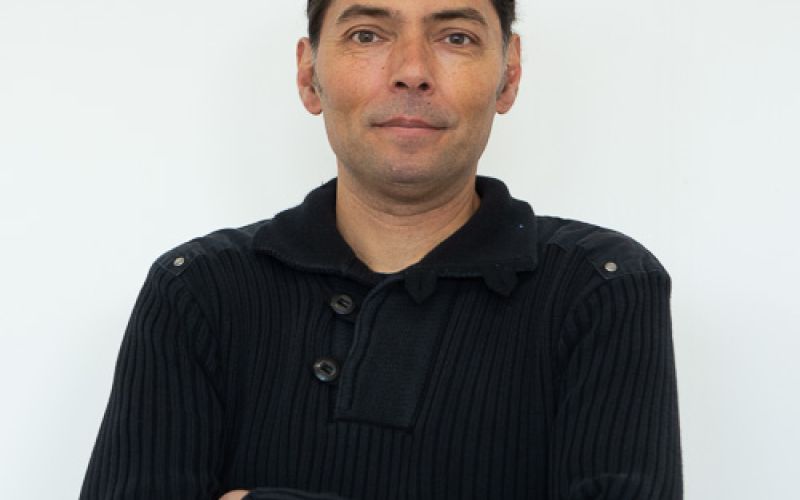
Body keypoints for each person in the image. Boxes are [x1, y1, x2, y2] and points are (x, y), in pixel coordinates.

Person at [80, 0, 683, 498]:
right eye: (367, 34)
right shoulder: (197, 290)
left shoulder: (602, 287)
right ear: (308, 75)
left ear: (509, 75)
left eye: (456, 37)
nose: (412, 71)